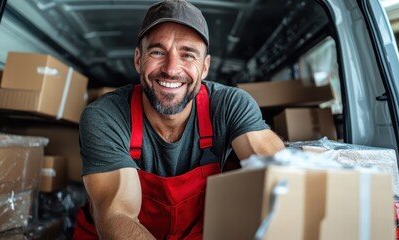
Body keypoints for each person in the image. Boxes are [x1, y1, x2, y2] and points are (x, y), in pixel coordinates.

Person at [72, 0, 285, 239]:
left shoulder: (229, 106)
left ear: (204, 68)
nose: (172, 69)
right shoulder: (105, 116)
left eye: (187, 54)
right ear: (138, 59)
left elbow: (280, 170)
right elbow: (116, 214)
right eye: (158, 52)